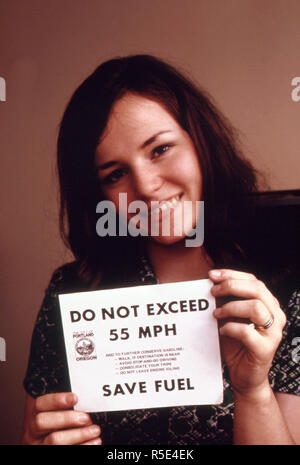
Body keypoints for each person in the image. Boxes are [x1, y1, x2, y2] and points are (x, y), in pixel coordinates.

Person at [21, 55, 300, 445]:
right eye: (116, 174)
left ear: (200, 141)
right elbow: (40, 430)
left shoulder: (284, 286)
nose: (147, 187)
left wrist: (253, 391)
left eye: (159, 149)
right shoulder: (71, 291)